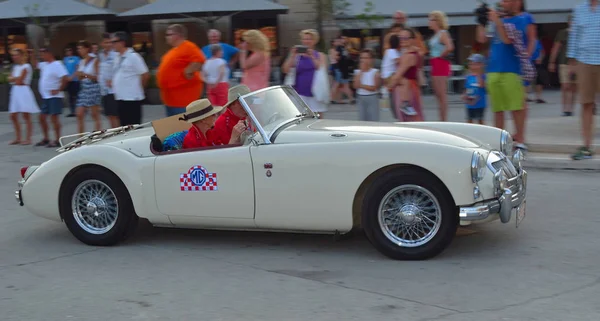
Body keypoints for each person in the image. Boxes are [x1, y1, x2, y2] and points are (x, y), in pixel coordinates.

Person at [476, 0, 530, 151]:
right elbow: (481, 39)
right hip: (493, 69)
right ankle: (499, 141)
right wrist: (481, 21)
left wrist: (497, 20)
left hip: (511, 69)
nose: (502, 4)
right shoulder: (496, 20)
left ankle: (520, 140)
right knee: (497, 110)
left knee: (516, 108)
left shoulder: (519, 19)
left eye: (506, 2)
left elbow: (507, 40)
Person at [567, 0, 599, 160]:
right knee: (586, 104)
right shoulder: (579, 10)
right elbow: (574, 36)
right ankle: (587, 146)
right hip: (584, 61)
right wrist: (571, 61)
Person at [157, 24, 206, 116]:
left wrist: (187, 71)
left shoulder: (188, 46)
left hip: (183, 100)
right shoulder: (173, 51)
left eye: (169, 34)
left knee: (183, 128)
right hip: (171, 100)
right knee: (173, 128)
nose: (166, 37)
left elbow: (199, 60)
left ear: (178, 35)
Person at [282, 29, 328, 117]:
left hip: (315, 92)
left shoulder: (320, 55)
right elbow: (285, 69)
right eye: (305, 39)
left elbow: (320, 68)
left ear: (314, 41)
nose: (307, 41)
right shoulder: (297, 56)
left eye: (309, 39)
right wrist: (292, 55)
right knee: (300, 116)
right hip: (299, 91)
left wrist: (312, 56)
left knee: (317, 116)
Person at [31, 47, 68, 148]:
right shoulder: (44, 65)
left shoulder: (57, 65)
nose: (41, 56)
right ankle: (46, 138)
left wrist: (59, 89)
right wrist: (32, 55)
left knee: (54, 118)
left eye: (43, 54)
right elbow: (35, 65)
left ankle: (57, 139)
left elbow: (65, 78)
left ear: (49, 53)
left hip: (54, 96)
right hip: (46, 97)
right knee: (42, 118)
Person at [111, 31, 150, 126]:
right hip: (120, 98)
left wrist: (140, 88)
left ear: (122, 42)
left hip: (132, 99)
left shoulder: (133, 56)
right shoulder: (117, 57)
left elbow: (145, 74)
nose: (112, 44)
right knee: (124, 127)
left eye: (114, 42)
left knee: (133, 126)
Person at [180, 98, 245, 149]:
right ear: (203, 120)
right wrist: (233, 138)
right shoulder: (192, 140)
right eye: (213, 114)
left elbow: (220, 152)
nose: (216, 116)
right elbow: (214, 161)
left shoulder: (210, 132)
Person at [389, 28, 423, 120]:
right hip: (411, 88)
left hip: (406, 91)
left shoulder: (409, 56)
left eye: (405, 38)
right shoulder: (414, 52)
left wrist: (389, 86)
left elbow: (397, 75)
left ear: (412, 40)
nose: (402, 40)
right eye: (400, 38)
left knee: (409, 120)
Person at [7, 48, 40, 145]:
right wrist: (14, 78)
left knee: (26, 115)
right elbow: (10, 79)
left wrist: (14, 78)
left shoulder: (26, 66)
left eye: (16, 55)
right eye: (13, 55)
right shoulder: (16, 67)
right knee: (13, 115)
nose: (14, 57)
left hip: (23, 90)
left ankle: (28, 138)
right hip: (15, 91)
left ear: (21, 55)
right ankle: (18, 137)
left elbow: (19, 80)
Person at [428, 10, 454, 122]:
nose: (429, 22)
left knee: (442, 94)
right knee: (437, 93)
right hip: (435, 63)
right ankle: (442, 118)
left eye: (431, 19)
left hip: (440, 63)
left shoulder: (443, 33)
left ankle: (444, 120)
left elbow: (450, 47)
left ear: (437, 21)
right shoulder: (436, 34)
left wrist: (441, 55)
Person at [549, 14, 576, 116]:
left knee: (573, 86)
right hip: (564, 62)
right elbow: (556, 48)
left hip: (576, 63)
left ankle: (570, 108)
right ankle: (565, 108)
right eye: (572, 21)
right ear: (569, 22)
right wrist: (552, 62)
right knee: (565, 86)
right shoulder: (562, 33)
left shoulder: (580, 33)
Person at [75, 40, 102, 134]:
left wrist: (85, 75)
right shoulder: (81, 62)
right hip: (84, 88)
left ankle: (98, 134)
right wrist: (80, 75)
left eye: (81, 48)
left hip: (93, 88)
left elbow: (97, 77)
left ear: (87, 49)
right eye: (78, 48)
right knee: (79, 114)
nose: (79, 50)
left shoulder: (95, 60)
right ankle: (80, 136)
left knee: (94, 114)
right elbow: (79, 76)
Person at [98, 32, 120, 128]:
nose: (108, 45)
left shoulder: (116, 55)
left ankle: (120, 134)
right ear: (101, 44)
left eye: (110, 42)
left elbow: (120, 70)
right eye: (106, 43)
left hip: (114, 90)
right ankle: (115, 134)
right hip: (104, 90)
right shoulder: (100, 56)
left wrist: (113, 80)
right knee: (109, 115)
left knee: (116, 115)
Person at [353, 48, 381, 121]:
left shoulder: (375, 72)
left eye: (366, 58)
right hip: (361, 97)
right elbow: (355, 85)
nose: (363, 60)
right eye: (362, 58)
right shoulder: (358, 72)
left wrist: (361, 85)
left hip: (372, 97)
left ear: (371, 59)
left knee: (373, 118)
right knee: (362, 118)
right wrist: (361, 71)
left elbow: (374, 88)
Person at [462, 54, 487, 125]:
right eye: (471, 64)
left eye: (475, 64)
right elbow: (466, 88)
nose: (473, 66)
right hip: (470, 103)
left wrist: (479, 74)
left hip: (480, 104)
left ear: (481, 65)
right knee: (469, 120)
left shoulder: (483, 76)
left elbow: (482, 85)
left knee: (480, 120)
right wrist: (464, 95)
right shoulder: (468, 77)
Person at [381, 34, 402, 119]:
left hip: (386, 76)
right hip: (389, 76)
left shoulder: (388, 51)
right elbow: (399, 62)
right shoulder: (393, 52)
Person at [62, 46, 80, 117]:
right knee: (70, 97)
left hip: (75, 80)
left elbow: (77, 69)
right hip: (68, 81)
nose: (68, 52)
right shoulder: (65, 59)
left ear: (72, 51)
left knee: (76, 96)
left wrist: (72, 77)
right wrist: (66, 78)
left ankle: (79, 111)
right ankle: (72, 111)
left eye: (69, 50)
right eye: (66, 50)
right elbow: (63, 69)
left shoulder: (76, 58)